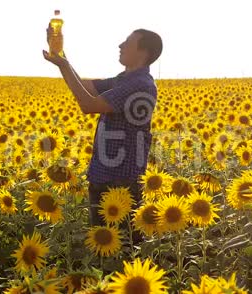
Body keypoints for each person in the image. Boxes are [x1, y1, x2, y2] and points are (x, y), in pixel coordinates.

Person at [42, 27, 162, 243]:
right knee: (102, 246)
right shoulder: (125, 79)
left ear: (143, 52)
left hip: (121, 179)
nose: (120, 45)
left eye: (127, 42)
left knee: (123, 246)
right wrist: (61, 56)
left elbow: (88, 104)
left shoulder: (139, 85)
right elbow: (85, 86)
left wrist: (64, 64)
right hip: (103, 173)